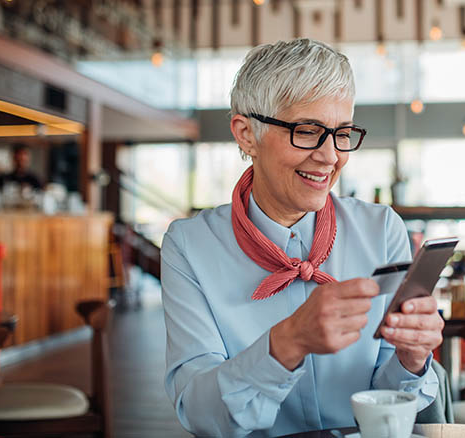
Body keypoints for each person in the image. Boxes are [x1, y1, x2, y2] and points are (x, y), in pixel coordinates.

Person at [161, 38, 443, 437]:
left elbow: (388, 398)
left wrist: (411, 359)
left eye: (342, 133)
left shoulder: (382, 230)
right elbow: (200, 412)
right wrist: (286, 343)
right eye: (307, 131)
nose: (330, 156)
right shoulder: (189, 247)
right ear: (246, 134)